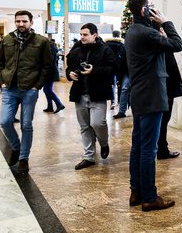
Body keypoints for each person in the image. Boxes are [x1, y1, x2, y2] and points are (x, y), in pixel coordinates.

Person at [125, 0, 182, 212]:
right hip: (151, 97)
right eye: (151, 7)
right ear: (144, 10)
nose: (154, 10)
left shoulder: (133, 31)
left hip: (139, 95)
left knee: (138, 146)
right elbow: (177, 44)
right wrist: (165, 22)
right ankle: (149, 197)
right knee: (149, 149)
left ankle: (136, 191)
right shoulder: (147, 32)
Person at [0, 10, 52, 174]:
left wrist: (37, 86)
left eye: (24, 21)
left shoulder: (41, 41)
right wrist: (1, 82)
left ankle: (24, 158)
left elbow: (47, 66)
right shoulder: (7, 39)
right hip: (9, 88)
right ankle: (16, 147)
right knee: (5, 122)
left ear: (31, 23)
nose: (21, 24)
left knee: (26, 124)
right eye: (18, 21)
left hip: (29, 89)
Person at [66, 23, 115, 170]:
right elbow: (69, 68)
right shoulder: (76, 50)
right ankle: (89, 156)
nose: (82, 37)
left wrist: (94, 70)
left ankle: (104, 143)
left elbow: (113, 69)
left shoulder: (105, 50)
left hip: (98, 94)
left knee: (98, 123)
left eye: (85, 35)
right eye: (81, 34)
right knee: (84, 126)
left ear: (95, 35)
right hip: (79, 94)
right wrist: (70, 74)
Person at [158, 50, 182, 159]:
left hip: (165, 89)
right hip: (165, 89)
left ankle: (161, 148)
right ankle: (162, 150)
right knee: (163, 121)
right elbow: (178, 45)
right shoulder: (163, 49)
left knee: (162, 121)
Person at [106, 30, 127, 111]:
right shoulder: (121, 44)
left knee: (112, 85)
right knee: (120, 85)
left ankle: (113, 102)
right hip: (119, 67)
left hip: (110, 67)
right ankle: (120, 102)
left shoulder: (106, 44)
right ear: (119, 35)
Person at [43, 39, 65, 113]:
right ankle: (50, 106)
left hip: (50, 72)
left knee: (47, 90)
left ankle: (59, 104)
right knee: (46, 90)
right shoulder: (51, 49)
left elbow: (49, 61)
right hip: (49, 72)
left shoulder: (50, 50)